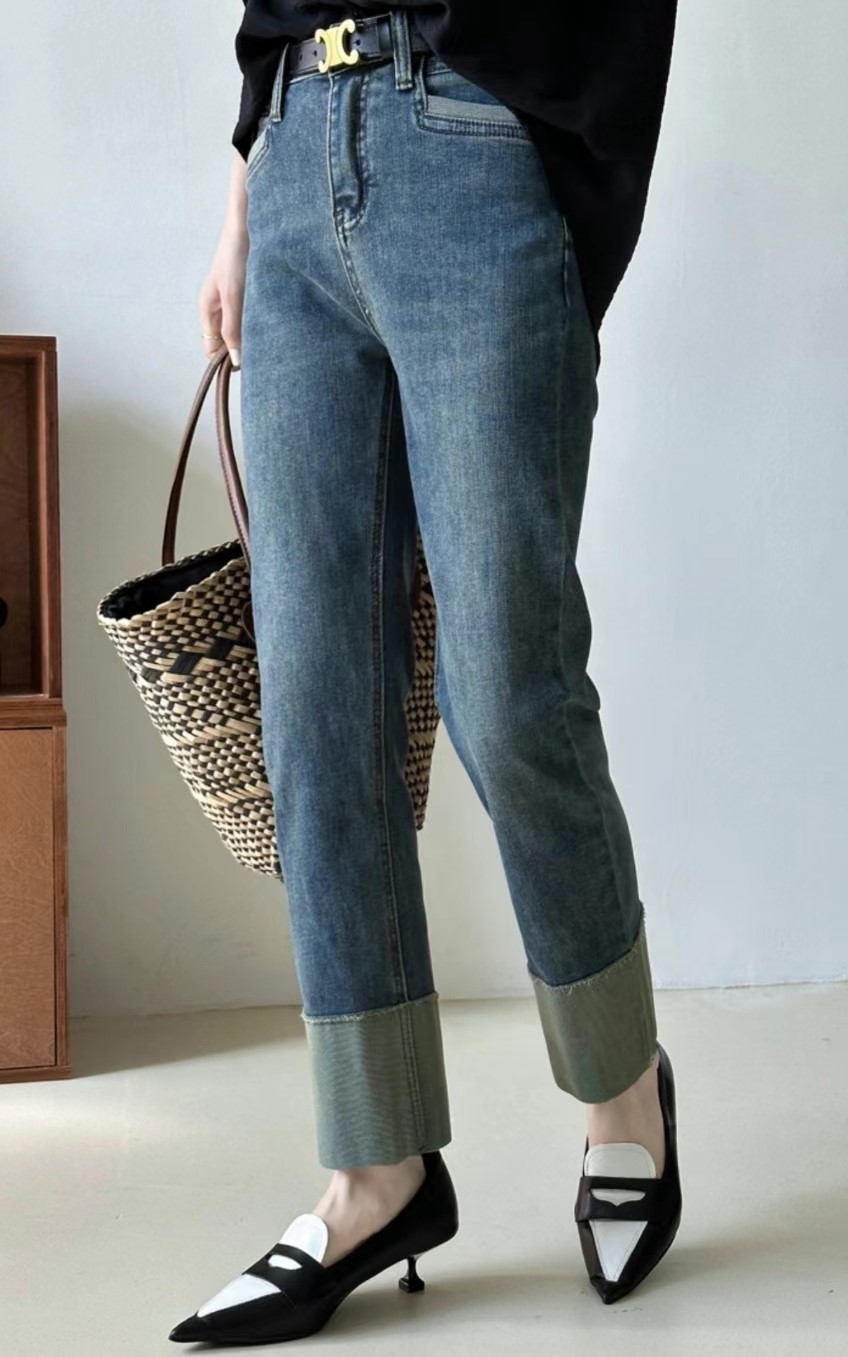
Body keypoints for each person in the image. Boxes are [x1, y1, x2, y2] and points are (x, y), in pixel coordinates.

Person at [171, 3, 680, 1345]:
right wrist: (246, 191)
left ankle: (621, 1088)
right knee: (315, 707)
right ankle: (376, 1165)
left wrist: (552, 165)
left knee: (508, 686)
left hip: (471, 135)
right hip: (296, 142)